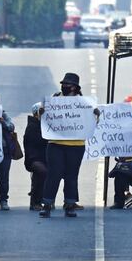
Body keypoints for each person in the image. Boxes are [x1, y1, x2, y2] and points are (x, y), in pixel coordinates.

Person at [41, 73, 86, 218]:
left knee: (71, 176)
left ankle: (70, 205)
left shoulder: (84, 103)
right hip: (55, 143)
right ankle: (47, 204)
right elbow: (41, 115)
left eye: (68, 85)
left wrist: (95, 114)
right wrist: (41, 112)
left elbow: (92, 121)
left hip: (76, 144)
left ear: (75, 87)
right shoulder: (54, 99)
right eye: (64, 84)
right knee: (53, 174)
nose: (65, 87)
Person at [23, 102, 48, 210]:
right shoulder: (32, 127)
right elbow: (37, 142)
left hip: (46, 158)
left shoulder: (45, 125)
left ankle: (47, 200)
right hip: (34, 159)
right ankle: (35, 201)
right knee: (42, 171)